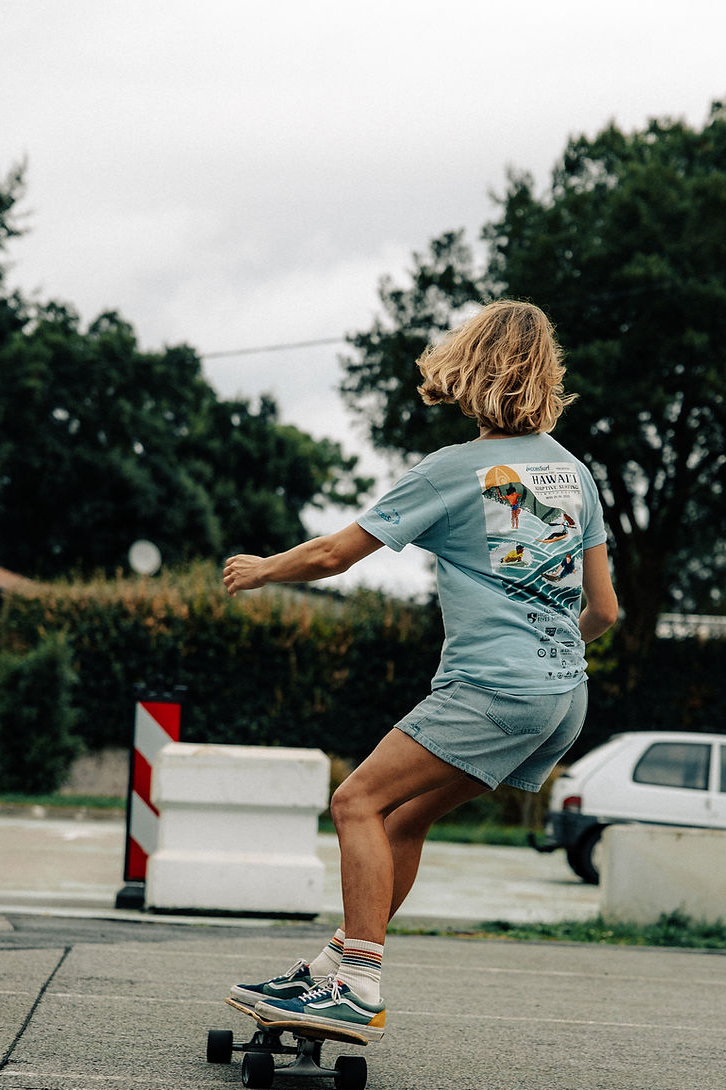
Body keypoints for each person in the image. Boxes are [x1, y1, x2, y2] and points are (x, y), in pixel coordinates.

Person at [222, 298, 617, 1041]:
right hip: (563, 699)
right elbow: (604, 610)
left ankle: (358, 982)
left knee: (355, 803)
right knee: (404, 815)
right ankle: (337, 964)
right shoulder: (575, 477)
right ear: (546, 375)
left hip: (492, 689)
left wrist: (262, 568)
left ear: (468, 366)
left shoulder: (454, 470)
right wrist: (552, 656)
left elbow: (335, 555)